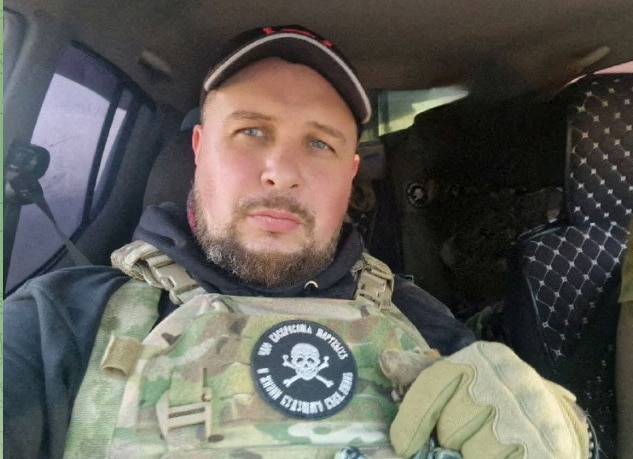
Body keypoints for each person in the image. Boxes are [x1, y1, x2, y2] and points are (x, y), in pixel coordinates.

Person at [4, 25, 594, 459]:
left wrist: (568, 437)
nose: (281, 171)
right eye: (251, 131)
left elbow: (518, 423)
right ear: (199, 150)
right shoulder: (60, 318)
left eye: (319, 144)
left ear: (349, 174)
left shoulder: (420, 318)